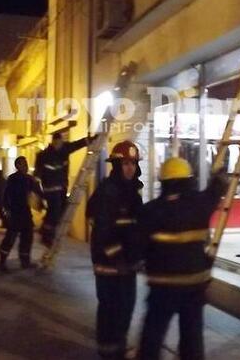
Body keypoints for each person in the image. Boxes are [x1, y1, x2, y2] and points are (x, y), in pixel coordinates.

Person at [137, 157, 228, 360]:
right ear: (189, 180)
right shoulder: (201, 203)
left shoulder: (150, 211)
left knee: (153, 334)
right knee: (192, 336)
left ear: (163, 181)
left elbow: (139, 247)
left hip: (162, 286)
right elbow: (216, 190)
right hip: (194, 285)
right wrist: (219, 176)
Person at [86, 140, 143, 359]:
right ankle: (109, 351)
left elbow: (135, 226)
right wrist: (118, 257)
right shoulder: (108, 192)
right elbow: (102, 231)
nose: (130, 168)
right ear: (117, 165)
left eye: (133, 163)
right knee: (111, 309)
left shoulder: (131, 191)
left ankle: (116, 347)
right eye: (126, 164)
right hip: (110, 264)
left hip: (125, 264)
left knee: (125, 307)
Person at [35, 131, 96, 246]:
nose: (58, 145)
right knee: (55, 211)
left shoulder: (65, 149)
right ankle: (47, 236)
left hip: (62, 188)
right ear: (53, 142)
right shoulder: (43, 155)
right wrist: (38, 193)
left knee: (61, 210)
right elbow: (37, 175)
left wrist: (91, 139)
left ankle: (45, 229)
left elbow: (78, 144)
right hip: (50, 189)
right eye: (56, 143)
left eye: (60, 143)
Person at [0, 157, 43, 271]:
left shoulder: (29, 179)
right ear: (18, 166)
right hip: (15, 213)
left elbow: (38, 193)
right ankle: (2, 262)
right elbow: (5, 196)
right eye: (24, 164)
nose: (26, 166)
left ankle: (25, 261)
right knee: (10, 239)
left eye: (26, 164)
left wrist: (41, 203)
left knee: (27, 238)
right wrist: (5, 211)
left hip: (24, 213)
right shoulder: (13, 179)